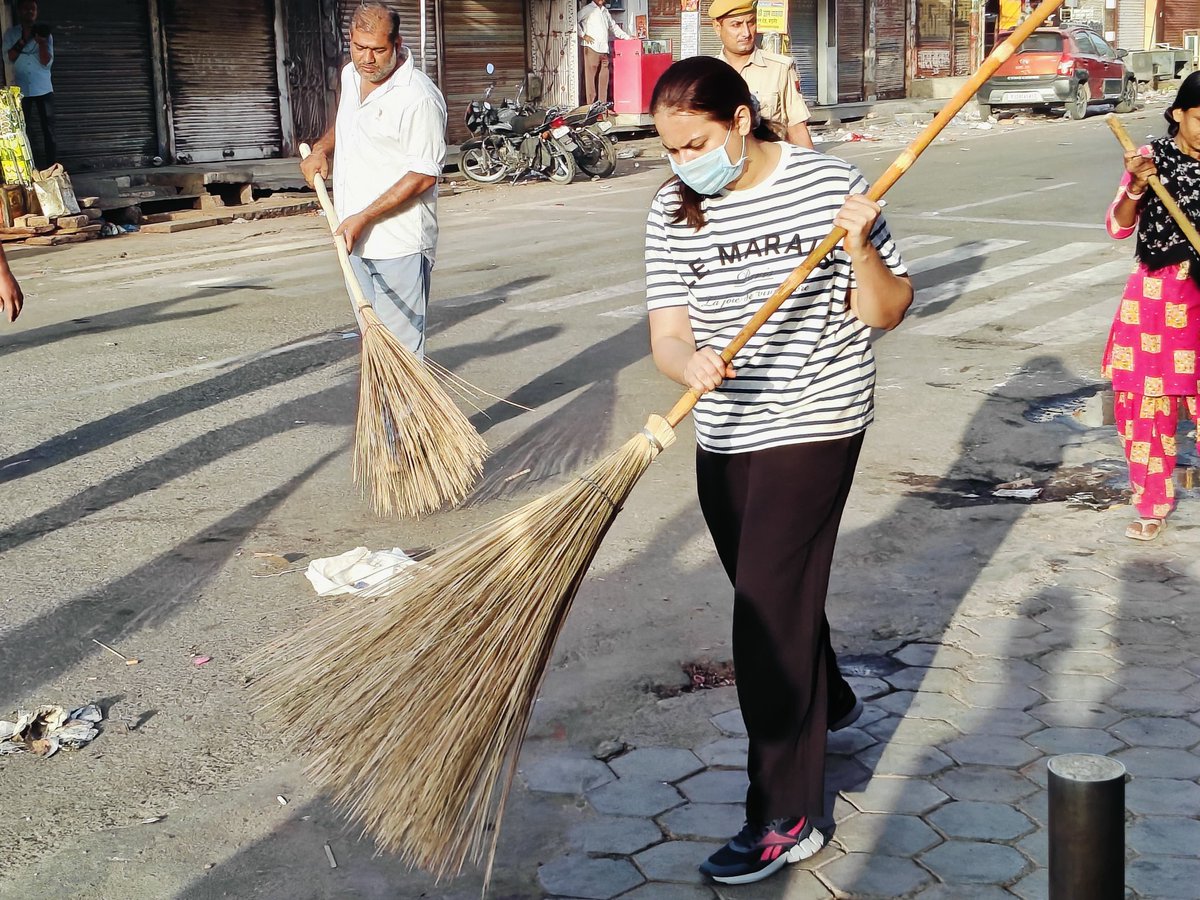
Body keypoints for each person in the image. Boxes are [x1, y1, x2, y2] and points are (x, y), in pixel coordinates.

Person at [645, 56, 911, 885]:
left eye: (694, 143)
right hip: (725, 430)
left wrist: (861, 245)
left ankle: (784, 813)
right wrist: (687, 365)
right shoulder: (672, 209)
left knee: (765, 607)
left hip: (818, 416)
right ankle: (825, 698)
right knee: (771, 590)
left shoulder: (829, 186)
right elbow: (667, 333)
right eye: (670, 149)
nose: (684, 162)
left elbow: (887, 312)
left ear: (741, 120)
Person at [299, 2, 446, 358]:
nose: (368, 59)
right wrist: (321, 149)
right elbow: (347, 121)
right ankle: (380, 416)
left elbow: (423, 174)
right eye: (359, 47)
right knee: (375, 348)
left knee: (401, 354)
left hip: (399, 245)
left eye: (378, 50)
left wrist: (364, 216)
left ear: (397, 43)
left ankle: (410, 416)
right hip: (352, 238)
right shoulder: (353, 75)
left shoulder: (418, 98)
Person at [1102, 72, 1200, 542]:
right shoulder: (1149, 159)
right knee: (1146, 404)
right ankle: (1151, 500)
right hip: (1158, 301)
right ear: (1178, 114)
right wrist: (1138, 189)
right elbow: (1118, 227)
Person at [710, 0, 813, 149]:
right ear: (717, 27)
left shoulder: (780, 68)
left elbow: (796, 128)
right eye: (736, 25)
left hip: (770, 165)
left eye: (751, 23)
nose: (746, 33)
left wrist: (810, 167)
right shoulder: (708, 74)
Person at [3, 0, 55, 168]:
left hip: (43, 89)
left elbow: (46, 62)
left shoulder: (45, 34)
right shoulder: (11, 34)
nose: (30, 12)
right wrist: (24, 40)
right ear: (19, 11)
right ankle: (29, 168)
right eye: (26, 9)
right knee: (24, 131)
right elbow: (8, 58)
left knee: (48, 131)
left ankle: (52, 167)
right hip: (22, 90)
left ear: (36, 12)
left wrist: (41, 42)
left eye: (33, 9)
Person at [579, 0, 630, 105]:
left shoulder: (605, 11)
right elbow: (574, 22)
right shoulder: (588, 9)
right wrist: (583, 35)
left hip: (604, 49)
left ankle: (602, 105)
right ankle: (590, 106)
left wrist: (628, 37)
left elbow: (614, 27)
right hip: (592, 47)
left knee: (604, 78)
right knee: (590, 80)